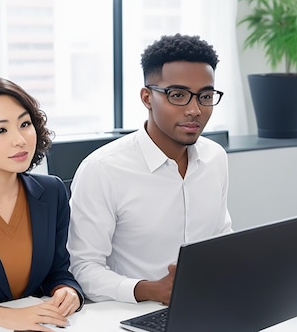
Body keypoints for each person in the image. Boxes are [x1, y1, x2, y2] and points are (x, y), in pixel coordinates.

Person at [67, 34, 232, 304]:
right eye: (177, 95)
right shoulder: (103, 170)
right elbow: (83, 268)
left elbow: (221, 239)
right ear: (147, 97)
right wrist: (148, 290)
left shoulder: (215, 158)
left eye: (205, 96)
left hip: (206, 304)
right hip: (131, 314)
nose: (194, 110)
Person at [0, 76, 84, 331]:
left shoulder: (52, 191)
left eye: (24, 124)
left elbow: (58, 270)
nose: (20, 139)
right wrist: (2, 316)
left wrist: (67, 291)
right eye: (0, 130)